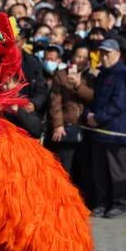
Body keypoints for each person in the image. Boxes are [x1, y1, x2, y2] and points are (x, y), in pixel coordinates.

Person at [85, 38, 126, 218]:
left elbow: (118, 104)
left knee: (117, 170)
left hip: (115, 130)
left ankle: (121, 204)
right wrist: (88, 115)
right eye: (102, 53)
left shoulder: (122, 73)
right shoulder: (102, 73)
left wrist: (97, 118)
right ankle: (101, 202)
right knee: (99, 170)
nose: (104, 57)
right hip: (98, 130)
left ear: (118, 54)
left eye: (108, 53)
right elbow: (95, 99)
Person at [48, 44, 94, 175]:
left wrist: (78, 85)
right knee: (64, 167)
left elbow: (92, 97)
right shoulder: (61, 75)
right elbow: (55, 102)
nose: (81, 60)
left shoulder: (91, 77)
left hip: (86, 126)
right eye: (78, 56)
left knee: (83, 169)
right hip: (66, 126)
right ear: (72, 57)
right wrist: (58, 124)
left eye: (84, 57)